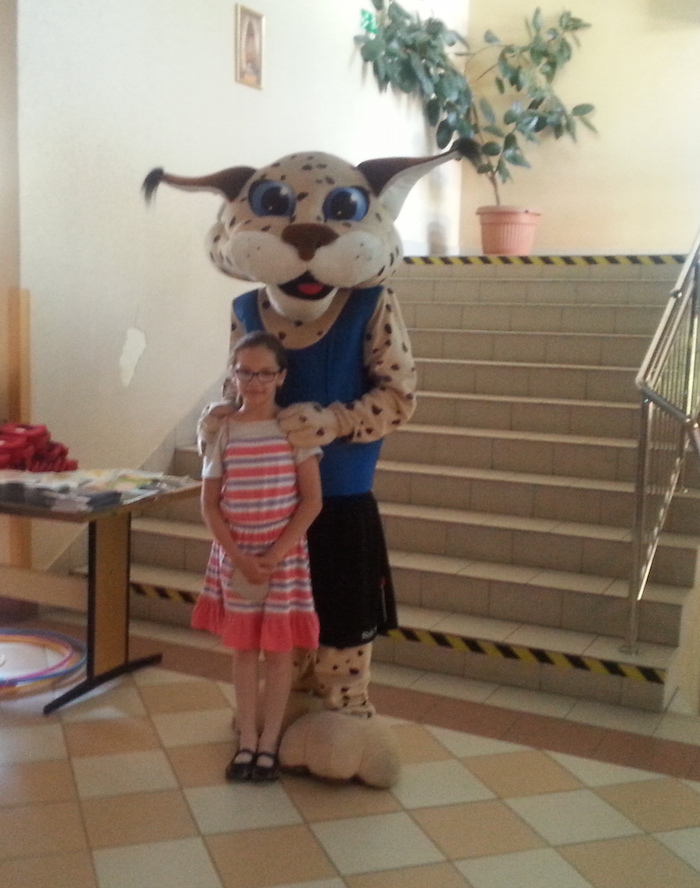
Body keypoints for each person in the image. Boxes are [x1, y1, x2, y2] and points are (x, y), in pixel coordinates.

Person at [191, 331, 322, 782]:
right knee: (244, 651)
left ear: (281, 376)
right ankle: (246, 739)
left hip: (283, 561)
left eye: (266, 373)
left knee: (279, 653)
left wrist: (274, 555)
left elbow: (312, 501)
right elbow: (210, 504)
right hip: (235, 558)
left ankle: (269, 744)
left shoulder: (294, 430)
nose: (255, 381)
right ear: (233, 374)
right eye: (246, 372)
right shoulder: (223, 430)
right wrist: (240, 558)